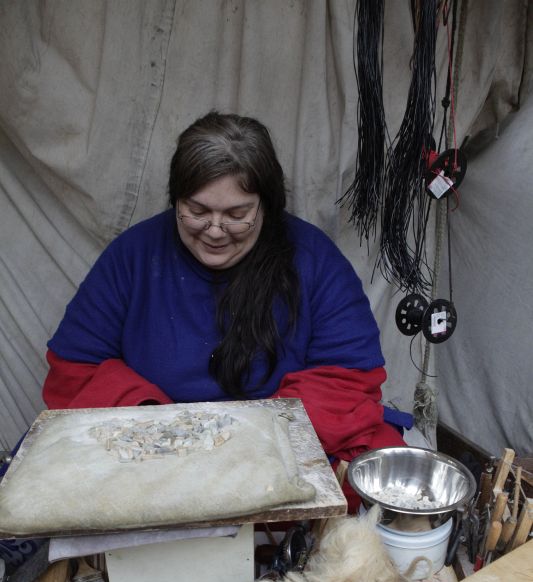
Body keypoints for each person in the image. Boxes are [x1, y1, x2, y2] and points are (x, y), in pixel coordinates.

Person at [43, 111, 409, 508]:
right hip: (154, 448)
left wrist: (257, 439)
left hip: (276, 447)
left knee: (382, 471)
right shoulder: (133, 256)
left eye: (237, 215)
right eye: (197, 211)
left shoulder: (314, 258)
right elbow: (76, 371)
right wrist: (164, 429)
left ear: (266, 205)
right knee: (49, 481)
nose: (215, 231)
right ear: (176, 198)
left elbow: (348, 376)